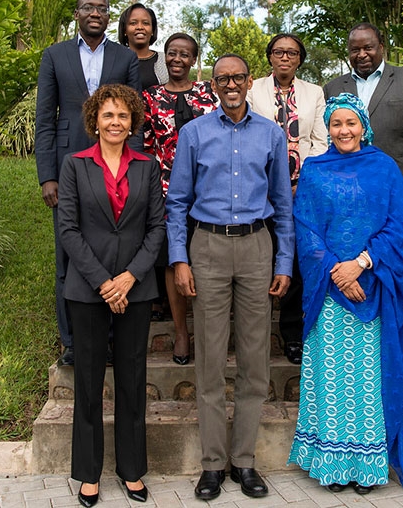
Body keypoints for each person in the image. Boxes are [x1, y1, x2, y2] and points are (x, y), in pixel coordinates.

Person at [165, 54, 294, 501]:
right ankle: (213, 464)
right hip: (208, 249)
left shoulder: (271, 134)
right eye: (223, 79)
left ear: (249, 81)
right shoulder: (194, 133)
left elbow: (282, 203)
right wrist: (180, 259)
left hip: (258, 246)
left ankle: (244, 461)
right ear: (214, 84)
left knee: (256, 361)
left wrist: (283, 262)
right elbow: (177, 202)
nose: (232, 84)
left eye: (239, 77)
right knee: (211, 362)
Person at [288, 93, 403, 498]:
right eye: (336, 124)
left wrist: (361, 264)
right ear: (327, 129)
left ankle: (367, 467)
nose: (344, 131)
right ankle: (331, 463)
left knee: (368, 380)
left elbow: (400, 228)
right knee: (331, 379)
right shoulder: (314, 170)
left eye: (351, 123)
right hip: (329, 293)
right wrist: (337, 270)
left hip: (375, 289)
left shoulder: (383, 169)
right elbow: (306, 229)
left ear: (364, 126)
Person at [57, 84, 165, 507]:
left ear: (132, 121)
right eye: (108, 115)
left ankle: (131, 470)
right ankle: (88, 474)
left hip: (136, 292)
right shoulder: (75, 165)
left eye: (122, 115)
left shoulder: (147, 166)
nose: (115, 122)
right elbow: (68, 229)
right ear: (94, 121)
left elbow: (156, 228)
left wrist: (129, 278)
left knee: (132, 381)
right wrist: (105, 282)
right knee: (87, 381)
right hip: (87, 291)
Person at [35, 0, 140, 367]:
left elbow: (135, 119)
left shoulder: (124, 57)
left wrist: (136, 170)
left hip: (116, 168)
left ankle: (111, 339)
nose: (95, 13)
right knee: (69, 255)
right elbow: (45, 119)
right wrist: (47, 175)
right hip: (68, 169)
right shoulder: (55, 55)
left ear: (109, 17)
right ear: (77, 13)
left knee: (112, 252)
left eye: (102, 8)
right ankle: (73, 343)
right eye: (88, 8)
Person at [247, 33, 328, 365]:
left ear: (299, 59)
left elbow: (321, 141)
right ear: (269, 57)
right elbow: (249, 136)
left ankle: (293, 334)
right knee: (262, 258)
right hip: (261, 188)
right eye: (278, 52)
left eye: (291, 53)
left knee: (295, 260)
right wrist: (272, 183)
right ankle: (256, 337)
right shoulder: (254, 92)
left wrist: (301, 182)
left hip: (303, 190)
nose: (285, 57)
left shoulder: (314, 93)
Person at [142, 32, 218, 365]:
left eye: (184, 55)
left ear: (193, 59)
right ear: (165, 57)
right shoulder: (150, 97)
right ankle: (181, 332)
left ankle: (206, 329)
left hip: (206, 190)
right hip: (164, 189)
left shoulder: (208, 94)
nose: (177, 59)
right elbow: (145, 147)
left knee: (204, 257)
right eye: (171, 53)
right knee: (174, 260)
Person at [323, 22, 403, 183]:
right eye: (355, 50)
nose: (362, 54)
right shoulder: (332, 88)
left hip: (399, 180)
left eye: (368, 48)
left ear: (381, 47)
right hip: (347, 182)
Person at [118, 3, 168, 89]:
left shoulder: (165, 60)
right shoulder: (115, 60)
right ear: (124, 30)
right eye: (133, 23)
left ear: (152, 30)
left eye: (146, 23)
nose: (140, 27)